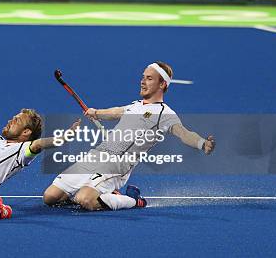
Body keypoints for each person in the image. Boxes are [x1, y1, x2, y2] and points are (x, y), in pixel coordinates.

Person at [43, 61, 216, 211]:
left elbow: (184, 133)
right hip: (96, 155)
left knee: (85, 200)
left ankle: (133, 200)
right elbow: (117, 112)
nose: (142, 81)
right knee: (50, 197)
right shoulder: (135, 105)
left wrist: (202, 143)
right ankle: (105, 195)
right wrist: (96, 112)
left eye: (149, 78)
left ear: (162, 84)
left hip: (117, 164)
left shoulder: (165, 114)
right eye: (143, 77)